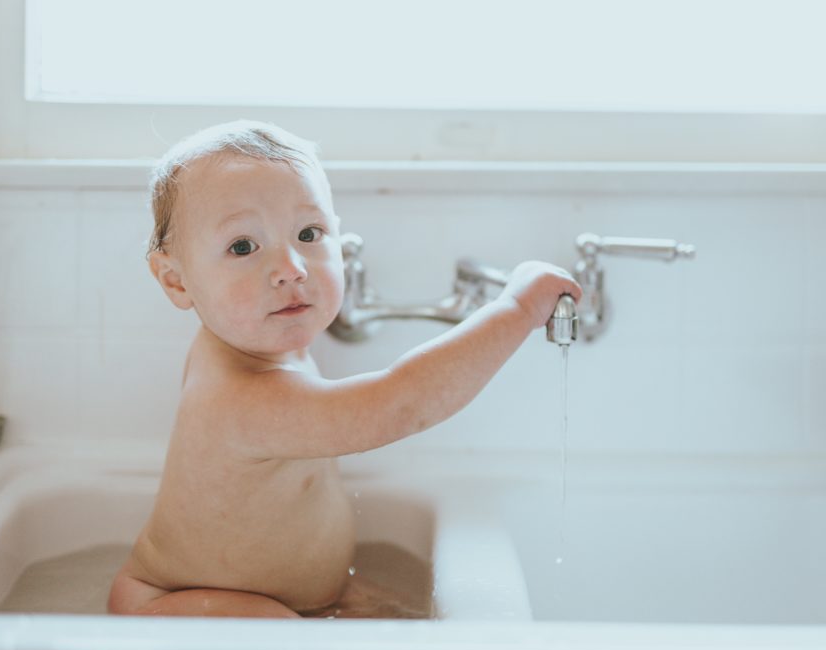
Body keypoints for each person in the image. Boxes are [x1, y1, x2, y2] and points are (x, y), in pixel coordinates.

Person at [107, 120, 581, 618]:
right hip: (174, 603)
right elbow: (401, 403)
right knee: (293, 640)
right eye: (243, 246)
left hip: (270, 594)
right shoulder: (238, 398)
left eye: (309, 233)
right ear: (177, 282)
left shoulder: (256, 348)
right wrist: (517, 311)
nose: (292, 267)